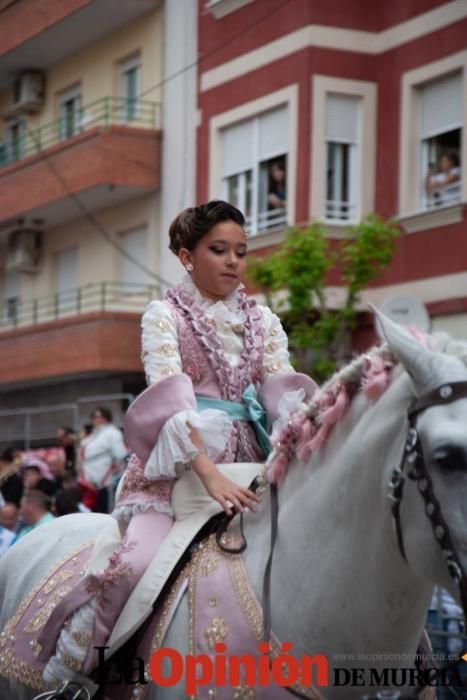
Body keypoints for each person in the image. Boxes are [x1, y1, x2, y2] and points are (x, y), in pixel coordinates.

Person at [32, 200, 316, 688]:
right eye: (219, 250)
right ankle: (73, 680)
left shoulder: (264, 320)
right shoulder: (164, 315)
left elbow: (281, 394)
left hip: (255, 469)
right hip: (177, 476)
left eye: (241, 252)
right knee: (131, 566)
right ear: (187, 256)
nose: (233, 261)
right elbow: (168, 397)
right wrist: (207, 473)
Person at [79, 407, 127, 513]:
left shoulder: (113, 433)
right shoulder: (93, 435)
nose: (96, 420)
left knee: (105, 512)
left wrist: (112, 475)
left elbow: (120, 455)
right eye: (94, 417)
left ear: (106, 418)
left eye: (99, 417)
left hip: (105, 483)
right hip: (88, 482)